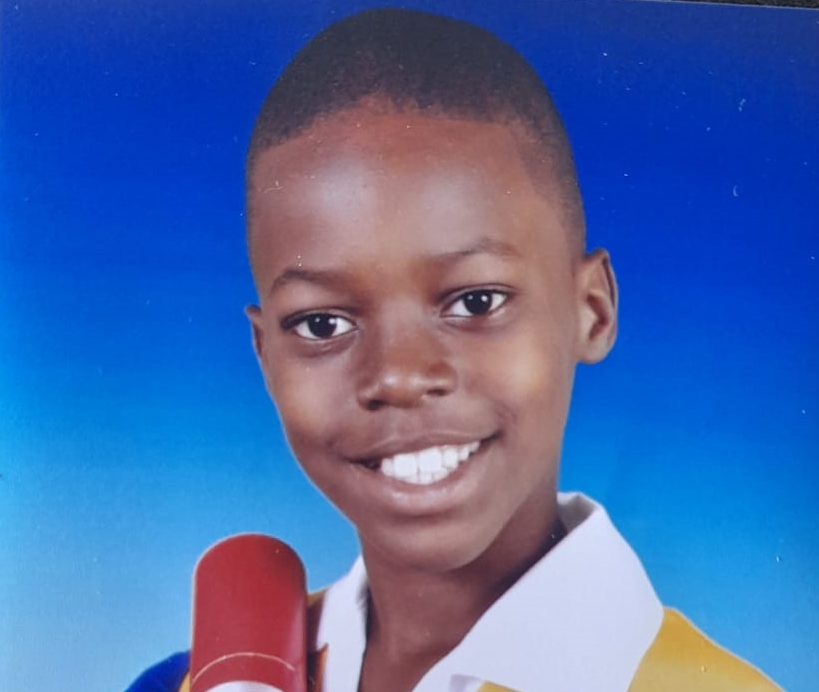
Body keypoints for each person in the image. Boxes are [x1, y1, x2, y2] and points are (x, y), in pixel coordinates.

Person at [127, 8, 781, 692]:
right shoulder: (188, 683)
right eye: (321, 324)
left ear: (592, 310)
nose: (399, 376)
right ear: (265, 356)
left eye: (475, 302)